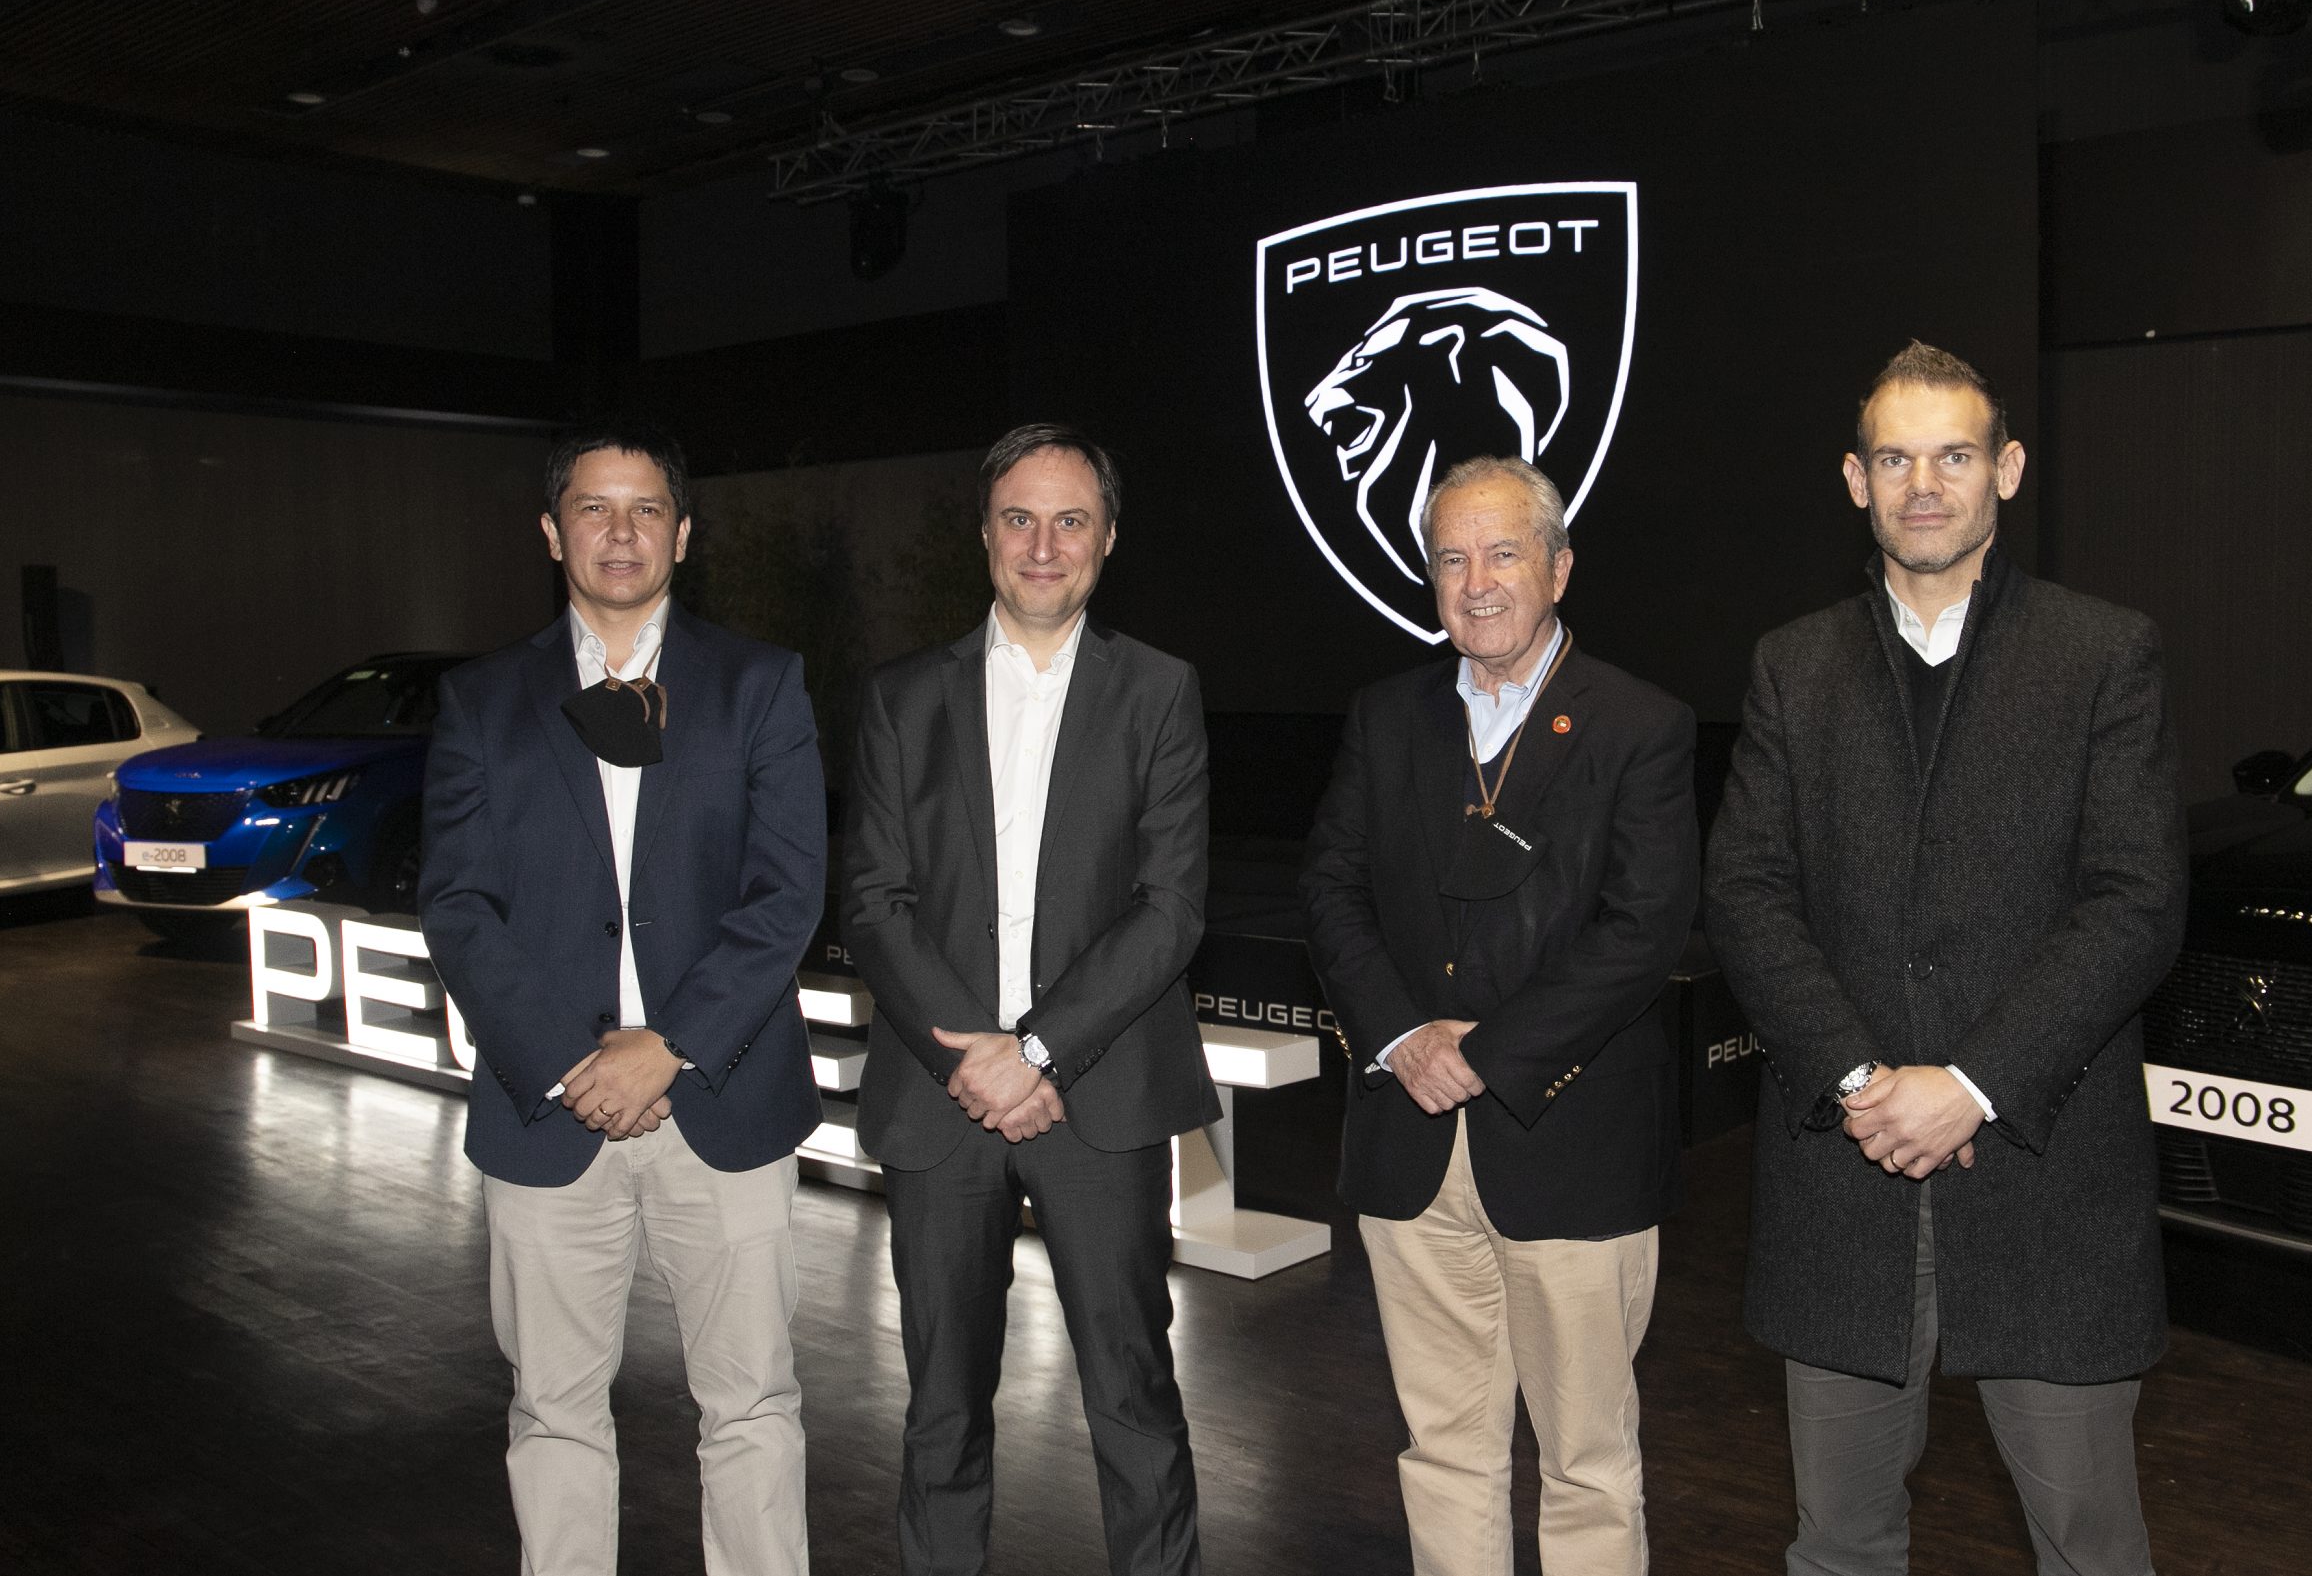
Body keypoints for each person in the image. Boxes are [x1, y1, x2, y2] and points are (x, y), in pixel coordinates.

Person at [1704, 342, 2188, 1576]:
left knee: (2088, 1549)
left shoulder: (2102, 653)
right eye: (1895, 459)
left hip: (2046, 1185)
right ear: (1854, 480)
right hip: (1844, 1177)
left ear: (2006, 470)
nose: (1923, 485)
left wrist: (1970, 1083)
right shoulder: (1791, 665)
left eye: (1953, 456)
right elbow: (1747, 893)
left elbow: (2136, 903)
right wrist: (1860, 1080)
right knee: (1839, 1546)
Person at [420, 420, 826, 1576]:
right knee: (552, 1411)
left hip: (724, 1098)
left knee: (753, 1405)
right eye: (592, 508)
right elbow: (457, 904)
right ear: (552, 534)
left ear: (682, 534)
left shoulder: (759, 685)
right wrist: (573, 1060)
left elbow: (788, 892)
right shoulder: (481, 700)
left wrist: (670, 1046)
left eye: (646, 509)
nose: (620, 532)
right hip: (549, 1110)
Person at [1298, 454, 1703, 1576]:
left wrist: (1486, 1055)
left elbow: (1644, 930)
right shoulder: (1386, 716)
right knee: (1443, 1449)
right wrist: (1401, 1037)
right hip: (1409, 1143)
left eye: (1503, 553)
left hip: (1571, 1147)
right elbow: (1329, 889)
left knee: (1586, 1462)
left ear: (1559, 569)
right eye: (1450, 559)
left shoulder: (1641, 724)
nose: (1476, 583)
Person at [843, 422, 1215, 1576]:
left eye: (1069, 521)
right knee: (941, 1410)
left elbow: (1169, 909)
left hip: (1100, 1100)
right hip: (940, 1101)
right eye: (1019, 519)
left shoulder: (1159, 690)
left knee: (1134, 1401)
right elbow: (873, 903)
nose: (1042, 546)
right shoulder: (903, 697)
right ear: (984, 534)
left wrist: (1038, 1052)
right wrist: (980, 1061)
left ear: (1108, 538)